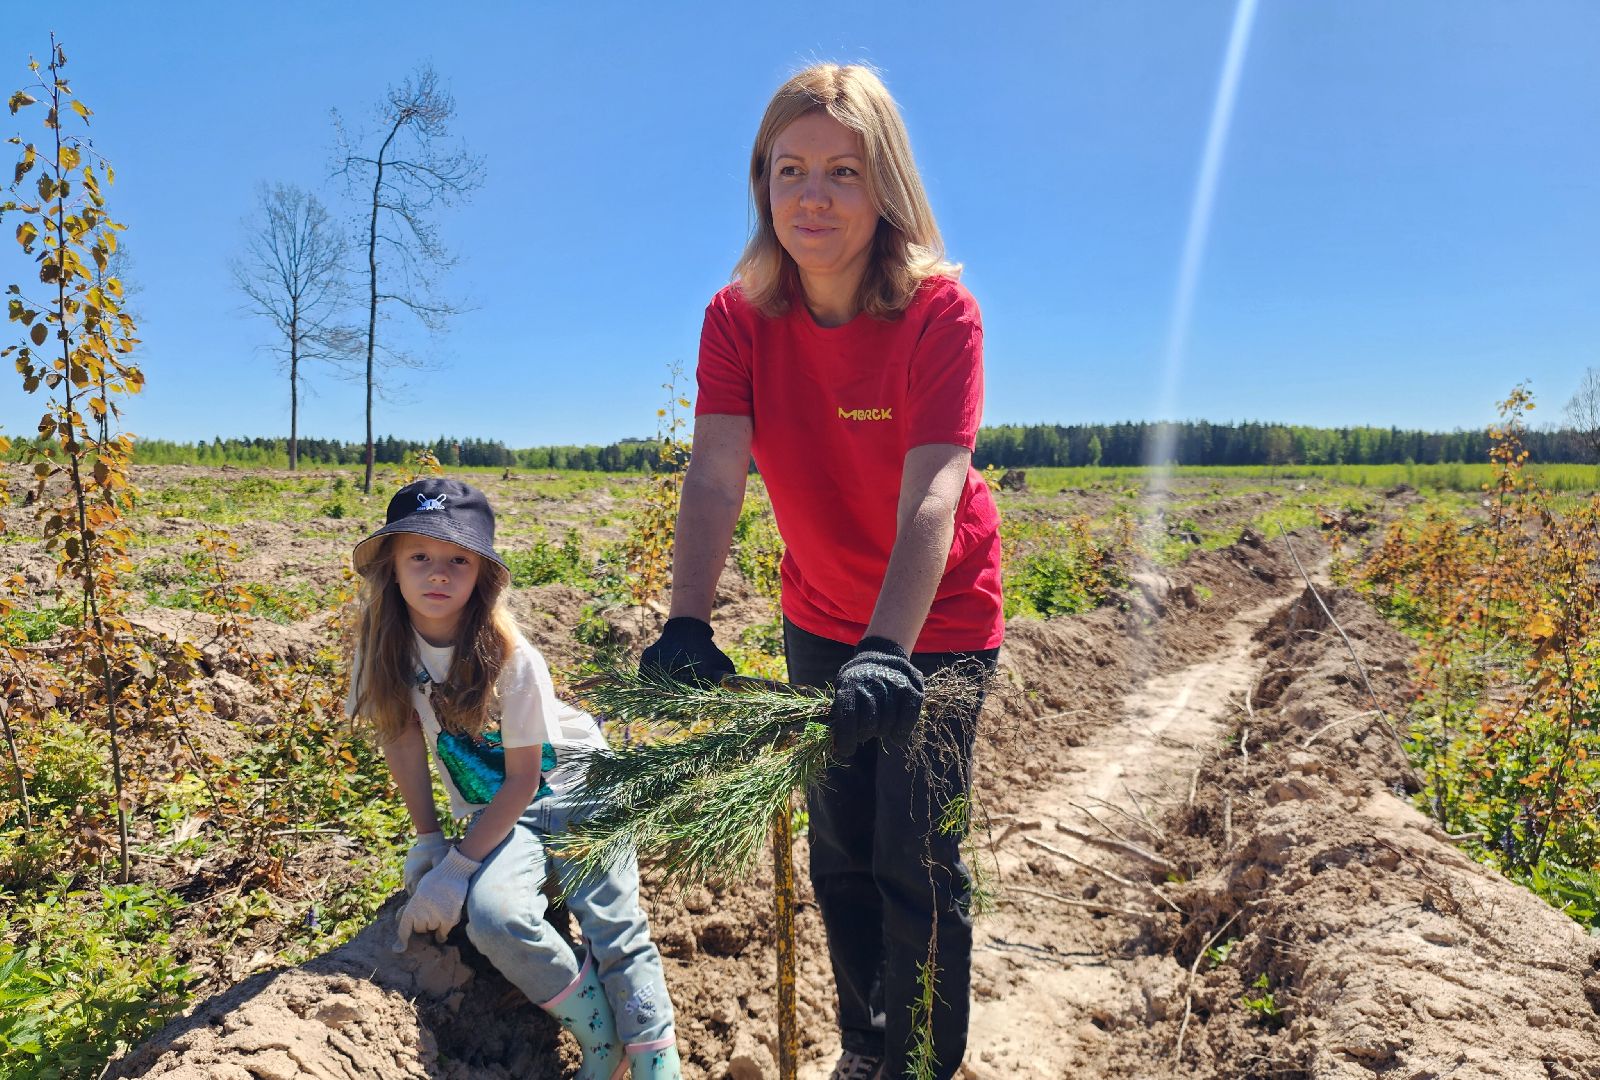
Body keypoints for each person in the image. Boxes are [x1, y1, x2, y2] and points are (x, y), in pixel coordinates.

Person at [639, 64, 1003, 1080]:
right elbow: (716, 473)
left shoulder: (939, 314)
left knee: (914, 854)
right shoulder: (737, 317)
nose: (813, 196)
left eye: (844, 171)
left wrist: (889, 649)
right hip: (821, 615)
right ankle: (865, 1045)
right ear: (761, 181)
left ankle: (921, 1063)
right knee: (838, 845)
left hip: (936, 620)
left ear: (885, 184)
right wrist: (687, 620)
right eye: (789, 168)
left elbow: (935, 489)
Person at [348, 477, 681, 1080]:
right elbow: (401, 738)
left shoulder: (511, 655)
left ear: (482, 574)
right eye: (419, 556)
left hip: (581, 789)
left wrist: (457, 868)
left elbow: (525, 778)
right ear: (391, 567)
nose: (438, 573)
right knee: (496, 918)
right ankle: (601, 1041)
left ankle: (659, 1065)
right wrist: (428, 840)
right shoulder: (383, 647)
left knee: (613, 925)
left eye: (458, 559)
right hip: (504, 809)